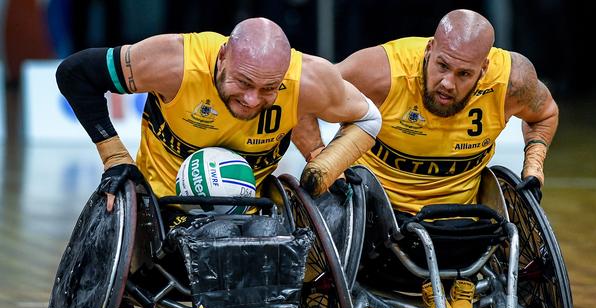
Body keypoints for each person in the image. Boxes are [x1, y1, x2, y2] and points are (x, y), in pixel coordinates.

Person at [293, 9, 559, 308]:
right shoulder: (382, 71)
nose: (448, 83)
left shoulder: (512, 81)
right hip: (377, 230)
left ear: (483, 69)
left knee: (498, 225)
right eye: (442, 66)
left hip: (461, 231)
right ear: (430, 48)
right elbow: (299, 94)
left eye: (464, 74)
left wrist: (534, 165)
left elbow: (545, 113)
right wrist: (318, 155)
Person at [56, 17, 381, 213]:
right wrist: (115, 158)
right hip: (161, 206)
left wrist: (325, 161)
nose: (253, 100)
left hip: (253, 212)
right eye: (243, 82)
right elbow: (75, 73)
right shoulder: (175, 61)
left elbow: (368, 117)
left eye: (269, 88)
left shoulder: (308, 79)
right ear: (223, 56)